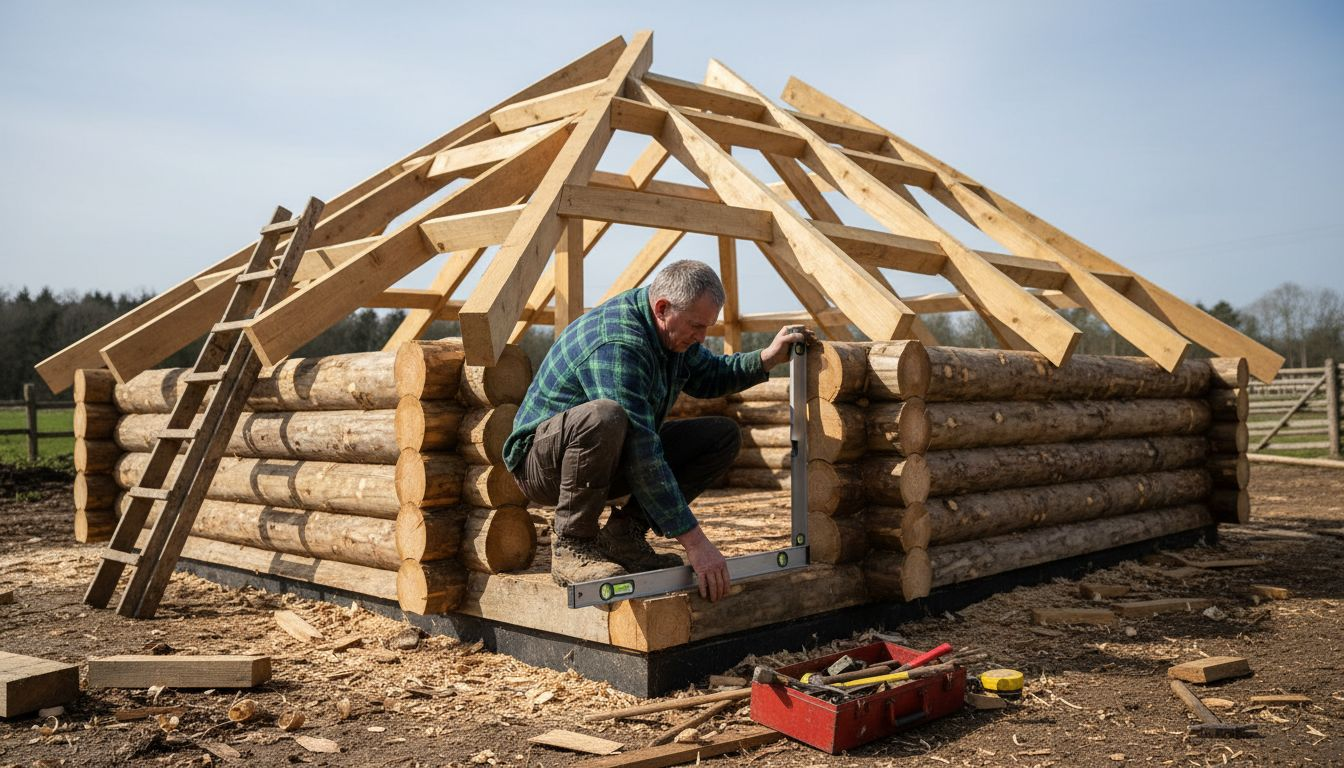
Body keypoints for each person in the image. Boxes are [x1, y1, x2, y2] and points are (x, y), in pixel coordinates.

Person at [504, 259, 811, 602]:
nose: (701, 337)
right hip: (544, 467)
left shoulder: (670, 332)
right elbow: (641, 449)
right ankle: (573, 546)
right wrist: (696, 543)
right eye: (697, 326)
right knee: (605, 416)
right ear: (663, 308)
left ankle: (624, 536)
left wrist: (766, 358)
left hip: (602, 456)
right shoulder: (618, 341)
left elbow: (711, 374)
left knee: (721, 436)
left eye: (707, 327)